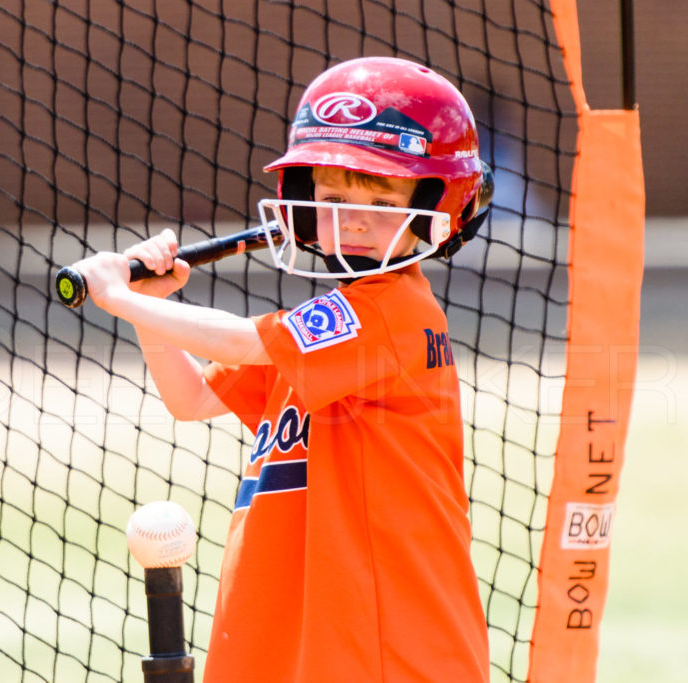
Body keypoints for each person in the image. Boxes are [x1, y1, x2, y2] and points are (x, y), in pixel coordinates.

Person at [76, 56, 492, 682]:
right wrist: (151, 311)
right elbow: (189, 399)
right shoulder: (327, 328)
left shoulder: (393, 311)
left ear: (439, 207)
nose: (353, 218)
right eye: (332, 197)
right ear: (303, 204)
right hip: (297, 639)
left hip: (387, 648)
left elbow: (245, 342)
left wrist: (120, 296)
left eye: (382, 198)